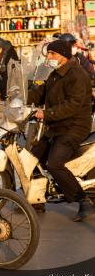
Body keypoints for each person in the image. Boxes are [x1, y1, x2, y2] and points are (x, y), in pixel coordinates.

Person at [27, 39, 94, 221]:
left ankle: (83, 201)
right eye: (48, 53)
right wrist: (19, 94)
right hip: (57, 126)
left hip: (74, 126)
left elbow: (72, 105)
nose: (49, 57)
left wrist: (46, 114)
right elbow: (40, 94)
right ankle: (37, 199)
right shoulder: (55, 74)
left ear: (63, 56)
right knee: (33, 157)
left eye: (52, 54)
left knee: (54, 163)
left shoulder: (77, 75)